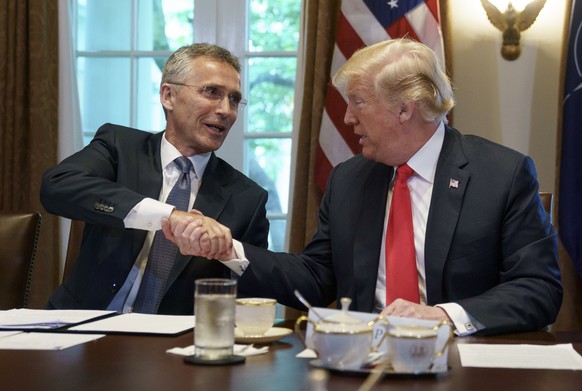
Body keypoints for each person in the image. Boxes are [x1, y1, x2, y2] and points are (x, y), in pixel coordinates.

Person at [164, 38, 562, 335]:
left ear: (404, 108)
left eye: (357, 102)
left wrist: (445, 314)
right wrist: (227, 248)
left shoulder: (501, 174)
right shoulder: (350, 179)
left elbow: (538, 288)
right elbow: (317, 279)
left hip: (462, 363)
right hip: (361, 363)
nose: (348, 118)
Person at [41, 43, 269, 315]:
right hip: (78, 329)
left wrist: (226, 251)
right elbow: (57, 185)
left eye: (233, 99)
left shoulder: (247, 199)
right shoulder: (120, 147)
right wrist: (170, 216)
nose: (225, 110)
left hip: (171, 346)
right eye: (212, 92)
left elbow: (252, 301)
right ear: (168, 95)